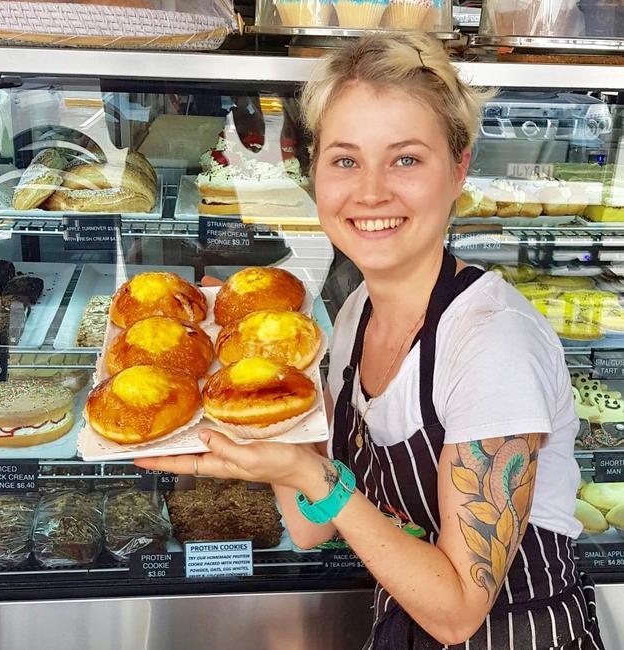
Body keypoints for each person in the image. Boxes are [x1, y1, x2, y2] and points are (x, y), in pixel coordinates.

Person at [136, 32, 604, 649]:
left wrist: (315, 475)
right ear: (314, 173)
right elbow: (309, 527)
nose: (371, 191)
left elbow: (459, 611)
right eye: (346, 159)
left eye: (406, 158)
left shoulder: (492, 344)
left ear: (459, 168)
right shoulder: (355, 315)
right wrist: (257, 376)